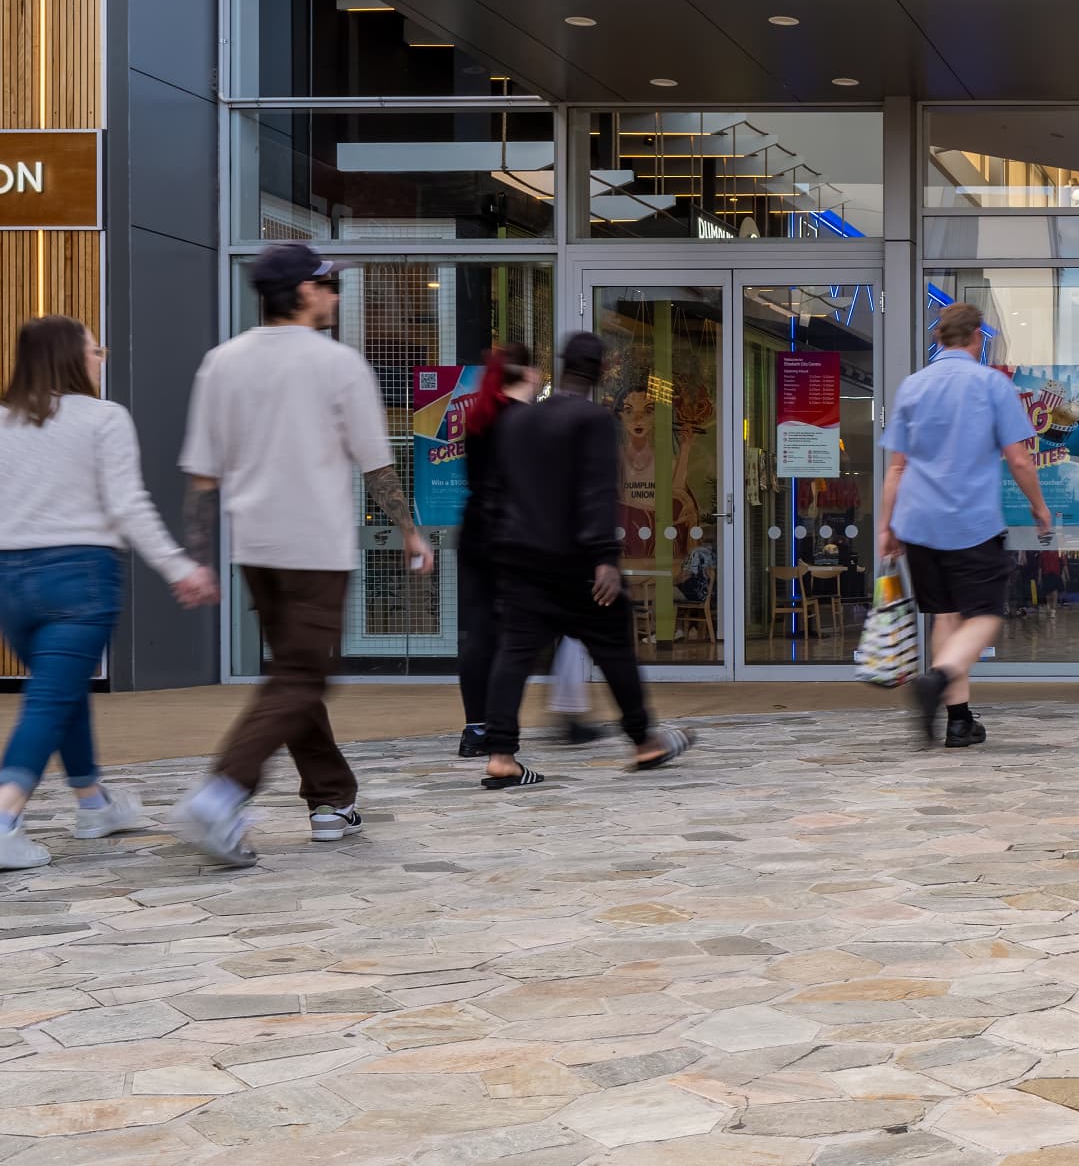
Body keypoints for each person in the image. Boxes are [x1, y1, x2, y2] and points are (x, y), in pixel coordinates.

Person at [0, 315, 218, 870]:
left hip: (5, 581)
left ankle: (94, 804)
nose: (101, 358)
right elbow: (128, 505)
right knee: (50, 697)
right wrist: (178, 566)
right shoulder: (105, 418)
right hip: (80, 577)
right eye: (94, 349)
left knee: (60, 690)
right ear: (68, 357)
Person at [169, 244, 429, 868]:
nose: (334, 295)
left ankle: (330, 799)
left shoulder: (220, 363)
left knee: (295, 671)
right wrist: (410, 530)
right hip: (316, 547)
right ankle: (223, 789)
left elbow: (201, 478)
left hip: (254, 547)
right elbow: (376, 465)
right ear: (302, 294)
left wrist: (197, 554)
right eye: (326, 285)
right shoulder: (338, 365)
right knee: (303, 676)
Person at [476, 332, 693, 783]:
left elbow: (495, 493)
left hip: (523, 561)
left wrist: (502, 550)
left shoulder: (518, 422)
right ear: (598, 372)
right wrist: (605, 559)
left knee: (514, 653)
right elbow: (597, 491)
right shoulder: (592, 420)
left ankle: (500, 755)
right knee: (614, 648)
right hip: (575, 564)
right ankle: (645, 741)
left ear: (562, 367)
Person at [875, 301, 1057, 749]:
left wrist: (886, 526)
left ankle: (959, 721)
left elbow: (896, 468)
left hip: (917, 521)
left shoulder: (913, 387)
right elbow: (1018, 459)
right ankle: (937, 680)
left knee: (945, 613)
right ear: (977, 338)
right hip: (970, 522)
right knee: (986, 614)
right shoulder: (990, 384)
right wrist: (1039, 508)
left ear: (939, 339)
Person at [445, 347, 536, 759]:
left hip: (475, 530)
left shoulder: (478, 417)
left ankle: (475, 726)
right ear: (524, 374)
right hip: (509, 533)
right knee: (511, 636)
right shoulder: (519, 421)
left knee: (479, 632)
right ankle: (499, 730)